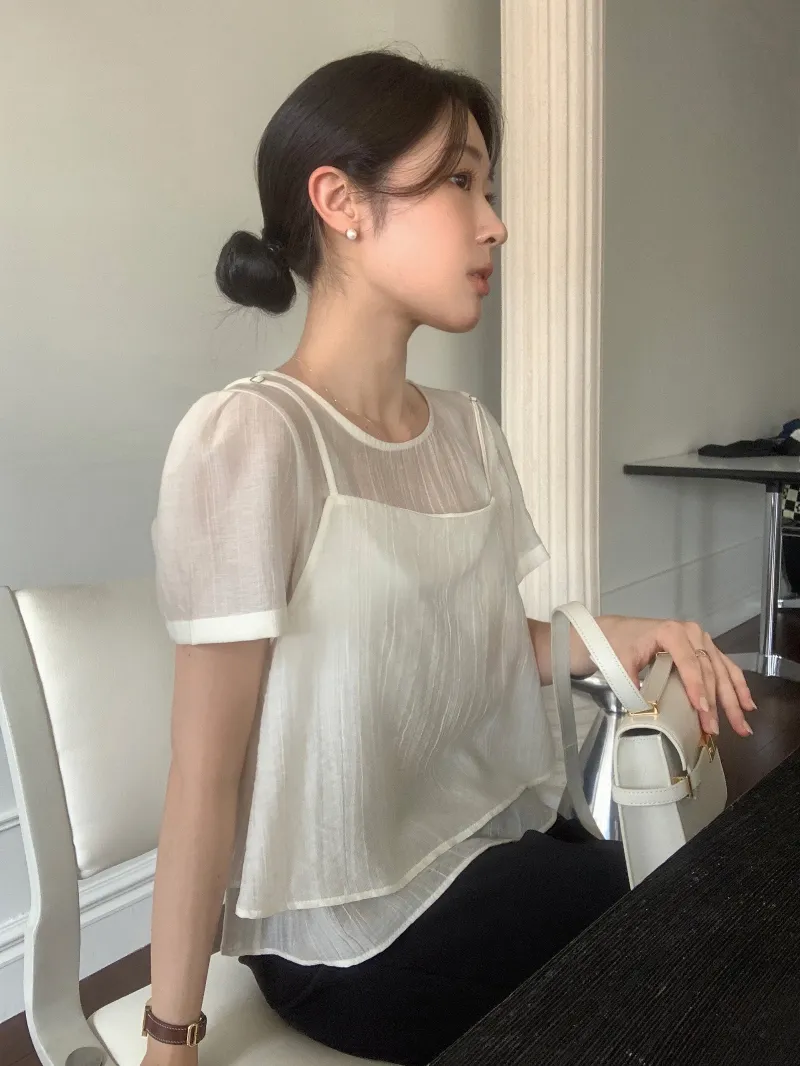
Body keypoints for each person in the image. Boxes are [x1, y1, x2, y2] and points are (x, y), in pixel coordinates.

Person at [145, 49, 756, 1066]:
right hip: (347, 930)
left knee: (696, 876)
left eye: (489, 189)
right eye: (459, 183)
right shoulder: (254, 440)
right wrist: (170, 1038)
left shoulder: (466, 432)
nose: (494, 224)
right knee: (698, 921)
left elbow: (479, 642)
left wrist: (632, 631)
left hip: (472, 846)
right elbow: (202, 771)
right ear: (340, 201)